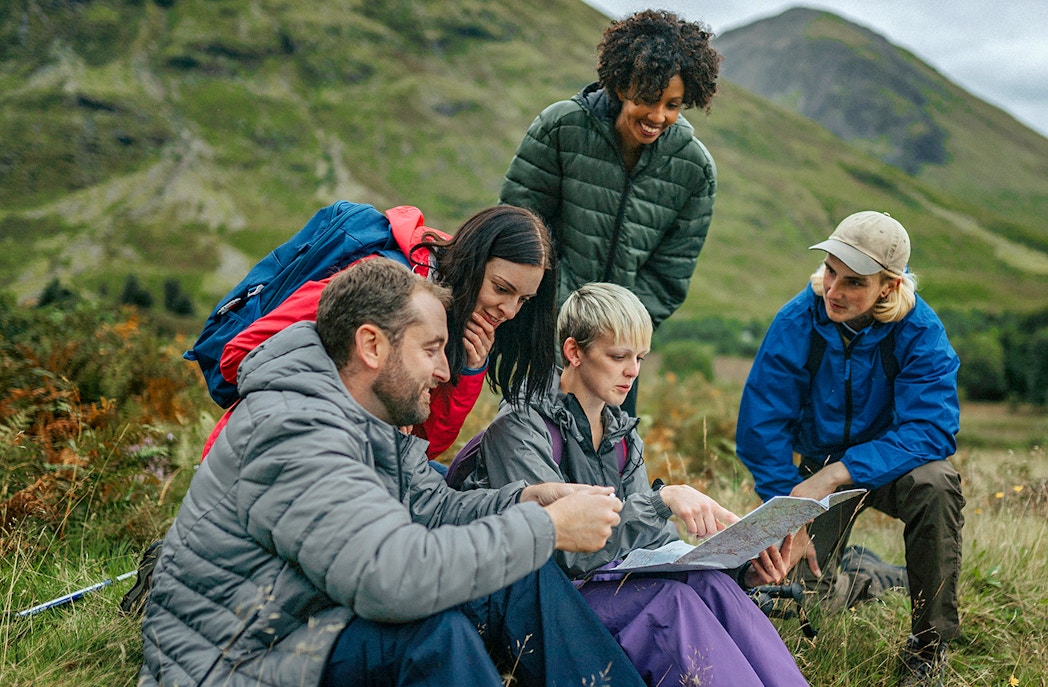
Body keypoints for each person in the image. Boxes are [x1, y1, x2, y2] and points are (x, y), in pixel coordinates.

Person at [139, 258, 646, 687]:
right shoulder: (294, 430)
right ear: (372, 346)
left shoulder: (366, 420)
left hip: (315, 615)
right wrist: (548, 529)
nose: (445, 372)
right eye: (430, 350)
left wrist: (527, 502)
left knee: (518, 574)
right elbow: (393, 578)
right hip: (241, 659)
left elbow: (434, 507)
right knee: (432, 635)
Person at [469, 282, 809, 687]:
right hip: (552, 601)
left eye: (640, 357)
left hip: (610, 586)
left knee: (711, 583)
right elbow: (558, 550)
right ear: (574, 351)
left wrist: (741, 570)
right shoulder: (520, 428)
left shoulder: (623, 437)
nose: (633, 371)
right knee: (672, 604)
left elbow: (654, 547)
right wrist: (662, 499)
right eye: (618, 356)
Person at [735, 211, 965, 687]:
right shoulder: (799, 318)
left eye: (853, 281)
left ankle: (928, 653)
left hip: (893, 465)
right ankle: (875, 577)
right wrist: (790, 513)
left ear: (888, 285)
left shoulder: (920, 330)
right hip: (816, 471)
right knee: (799, 598)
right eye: (830, 270)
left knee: (937, 483)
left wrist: (842, 471)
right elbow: (762, 425)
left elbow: (932, 429)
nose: (834, 290)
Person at [500, 9, 721, 414]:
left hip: (617, 353)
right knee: (531, 446)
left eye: (672, 105)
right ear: (620, 84)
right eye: (647, 99)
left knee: (606, 462)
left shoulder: (695, 169)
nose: (658, 117)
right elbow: (519, 230)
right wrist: (560, 318)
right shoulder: (560, 128)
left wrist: (617, 334)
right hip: (546, 335)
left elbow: (670, 274)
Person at [218, 204, 556, 458]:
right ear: (474, 260)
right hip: (265, 448)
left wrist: (469, 369)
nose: (510, 311)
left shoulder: (462, 324)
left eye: (523, 300)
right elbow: (241, 354)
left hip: (350, 459)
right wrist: (371, 408)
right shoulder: (385, 282)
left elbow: (423, 447)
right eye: (500, 288)